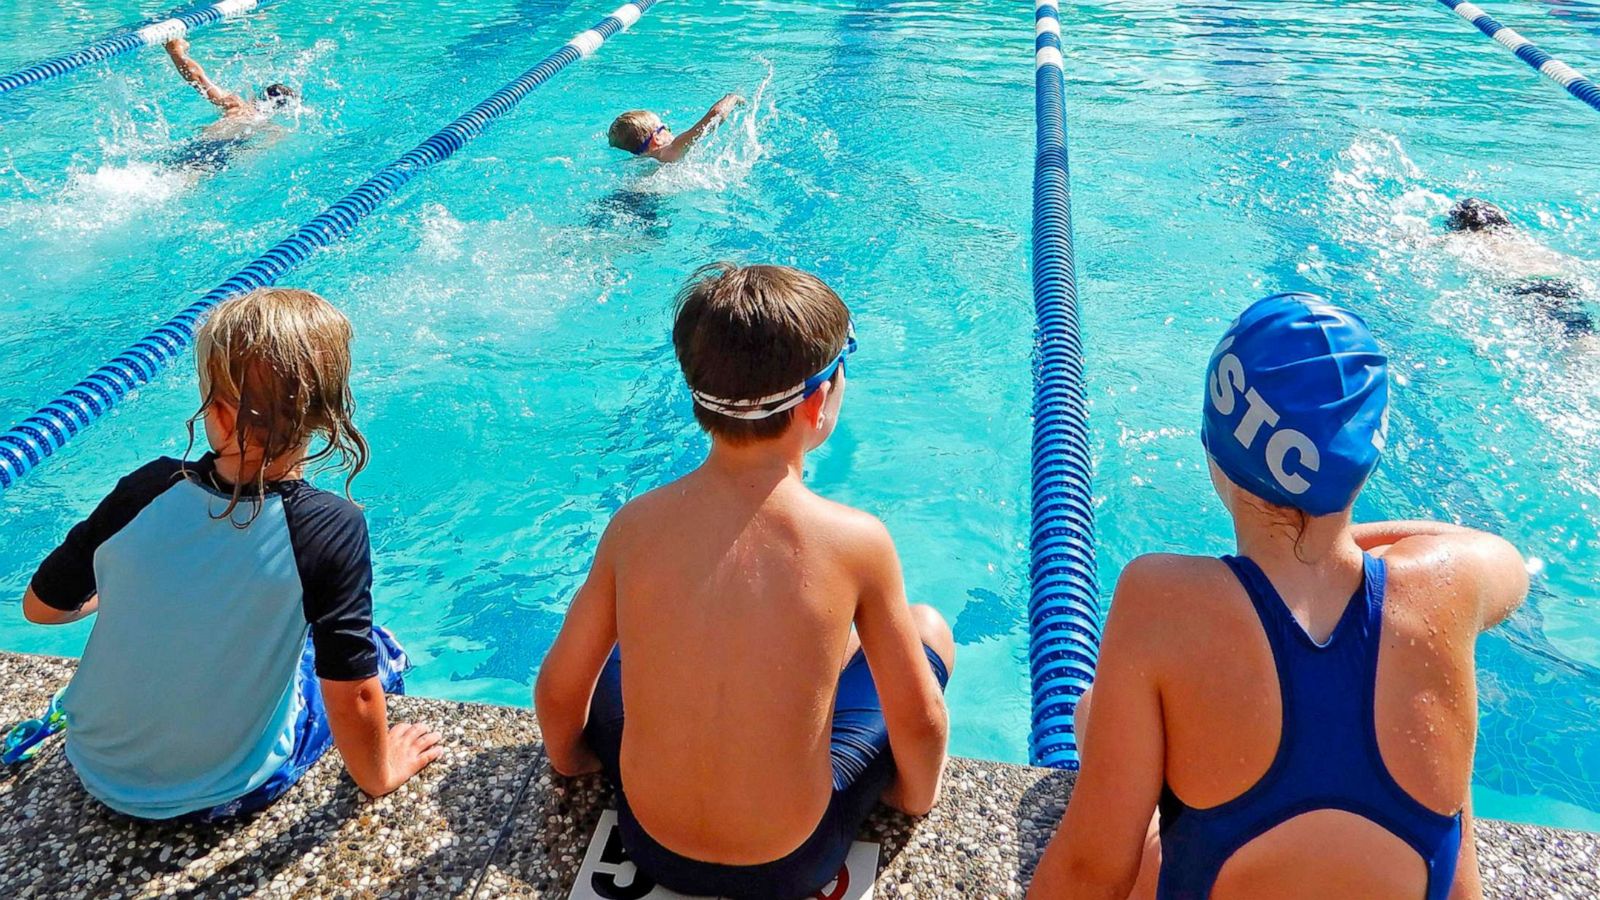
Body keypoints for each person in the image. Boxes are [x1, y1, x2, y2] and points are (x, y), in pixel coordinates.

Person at [1029, 293, 1528, 900]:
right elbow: (1498, 555)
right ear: (1367, 460)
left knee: (1093, 716)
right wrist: (1329, 543)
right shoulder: (1452, 585)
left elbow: (1090, 873)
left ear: (1217, 446)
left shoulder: (1161, 599)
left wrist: (1273, 558)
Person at [535, 263, 954, 899]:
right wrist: (907, 799)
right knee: (926, 628)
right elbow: (920, 721)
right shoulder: (855, 541)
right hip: (791, 861)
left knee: (632, 639)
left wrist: (578, 766)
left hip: (651, 844)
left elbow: (561, 691)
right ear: (819, 401)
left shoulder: (636, 527)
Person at [20, 288, 441, 821]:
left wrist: (128, 586)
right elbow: (352, 693)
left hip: (96, 767)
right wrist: (382, 774)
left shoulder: (146, 489)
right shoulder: (329, 527)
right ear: (324, 411)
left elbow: (40, 609)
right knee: (381, 652)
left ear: (216, 411)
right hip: (224, 791)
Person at [1445, 197, 1593, 336]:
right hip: (1560, 282)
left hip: (1525, 287)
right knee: (1581, 334)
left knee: (1566, 346)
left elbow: (1429, 243)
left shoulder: (1470, 237)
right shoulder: (1519, 238)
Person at [162, 37, 297, 173]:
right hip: (220, 150)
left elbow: (198, 79)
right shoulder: (271, 127)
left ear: (260, 96)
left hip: (197, 144)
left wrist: (177, 52)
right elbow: (257, 151)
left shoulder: (235, 104)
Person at [607, 93, 744, 163]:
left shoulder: (638, 161)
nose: (669, 130)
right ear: (657, 138)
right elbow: (714, 117)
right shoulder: (669, 151)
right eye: (665, 128)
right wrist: (732, 98)